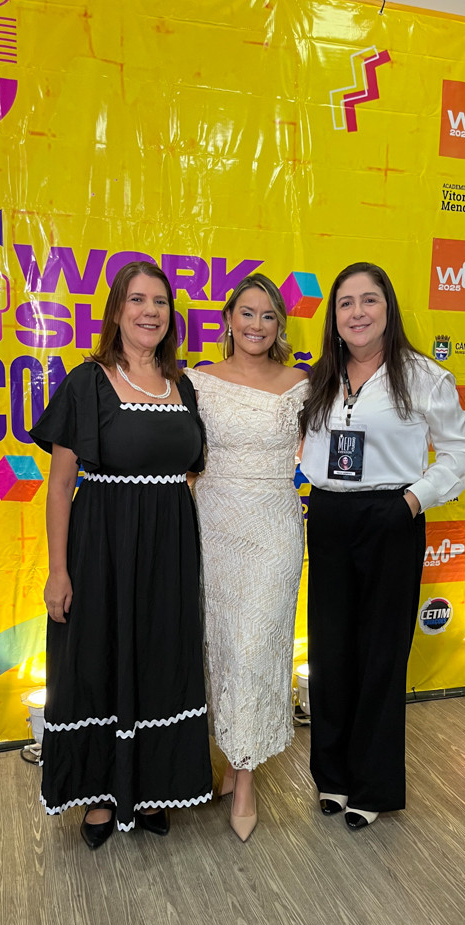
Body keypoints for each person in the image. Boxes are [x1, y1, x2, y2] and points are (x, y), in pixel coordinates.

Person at [29, 260, 212, 848]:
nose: (149, 311)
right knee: (97, 661)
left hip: (168, 552)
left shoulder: (183, 386)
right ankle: (101, 794)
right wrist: (59, 571)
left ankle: (154, 785)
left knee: (161, 659)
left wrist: (164, 518)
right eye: (137, 300)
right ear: (116, 311)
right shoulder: (87, 383)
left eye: (160, 302)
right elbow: (60, 485)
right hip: (101, 548)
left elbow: (190, 467)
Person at [299, 262, 465, 831]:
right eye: (345, 303)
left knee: (381, 654)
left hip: (391, 516)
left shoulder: (423, 376)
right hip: (329, 516)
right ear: (334, 316)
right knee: (330, 651)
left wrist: (411, 502)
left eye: (368, 300)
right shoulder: (320, 377)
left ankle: (372, 784)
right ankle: (332, 777)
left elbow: (459, 453)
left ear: (388, 308)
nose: (357, 313)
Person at [187, 274, 308, 842]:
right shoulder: (197, 380)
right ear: (229, 319)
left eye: (268, 315)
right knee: (218, 646)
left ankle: (245, 779)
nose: (257, 325)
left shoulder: (301, 384)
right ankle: (228, 758)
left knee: (256, 646)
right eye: (247, 313)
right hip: (212, 523)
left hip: (274, 525)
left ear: (279, 325)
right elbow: (183, 452)